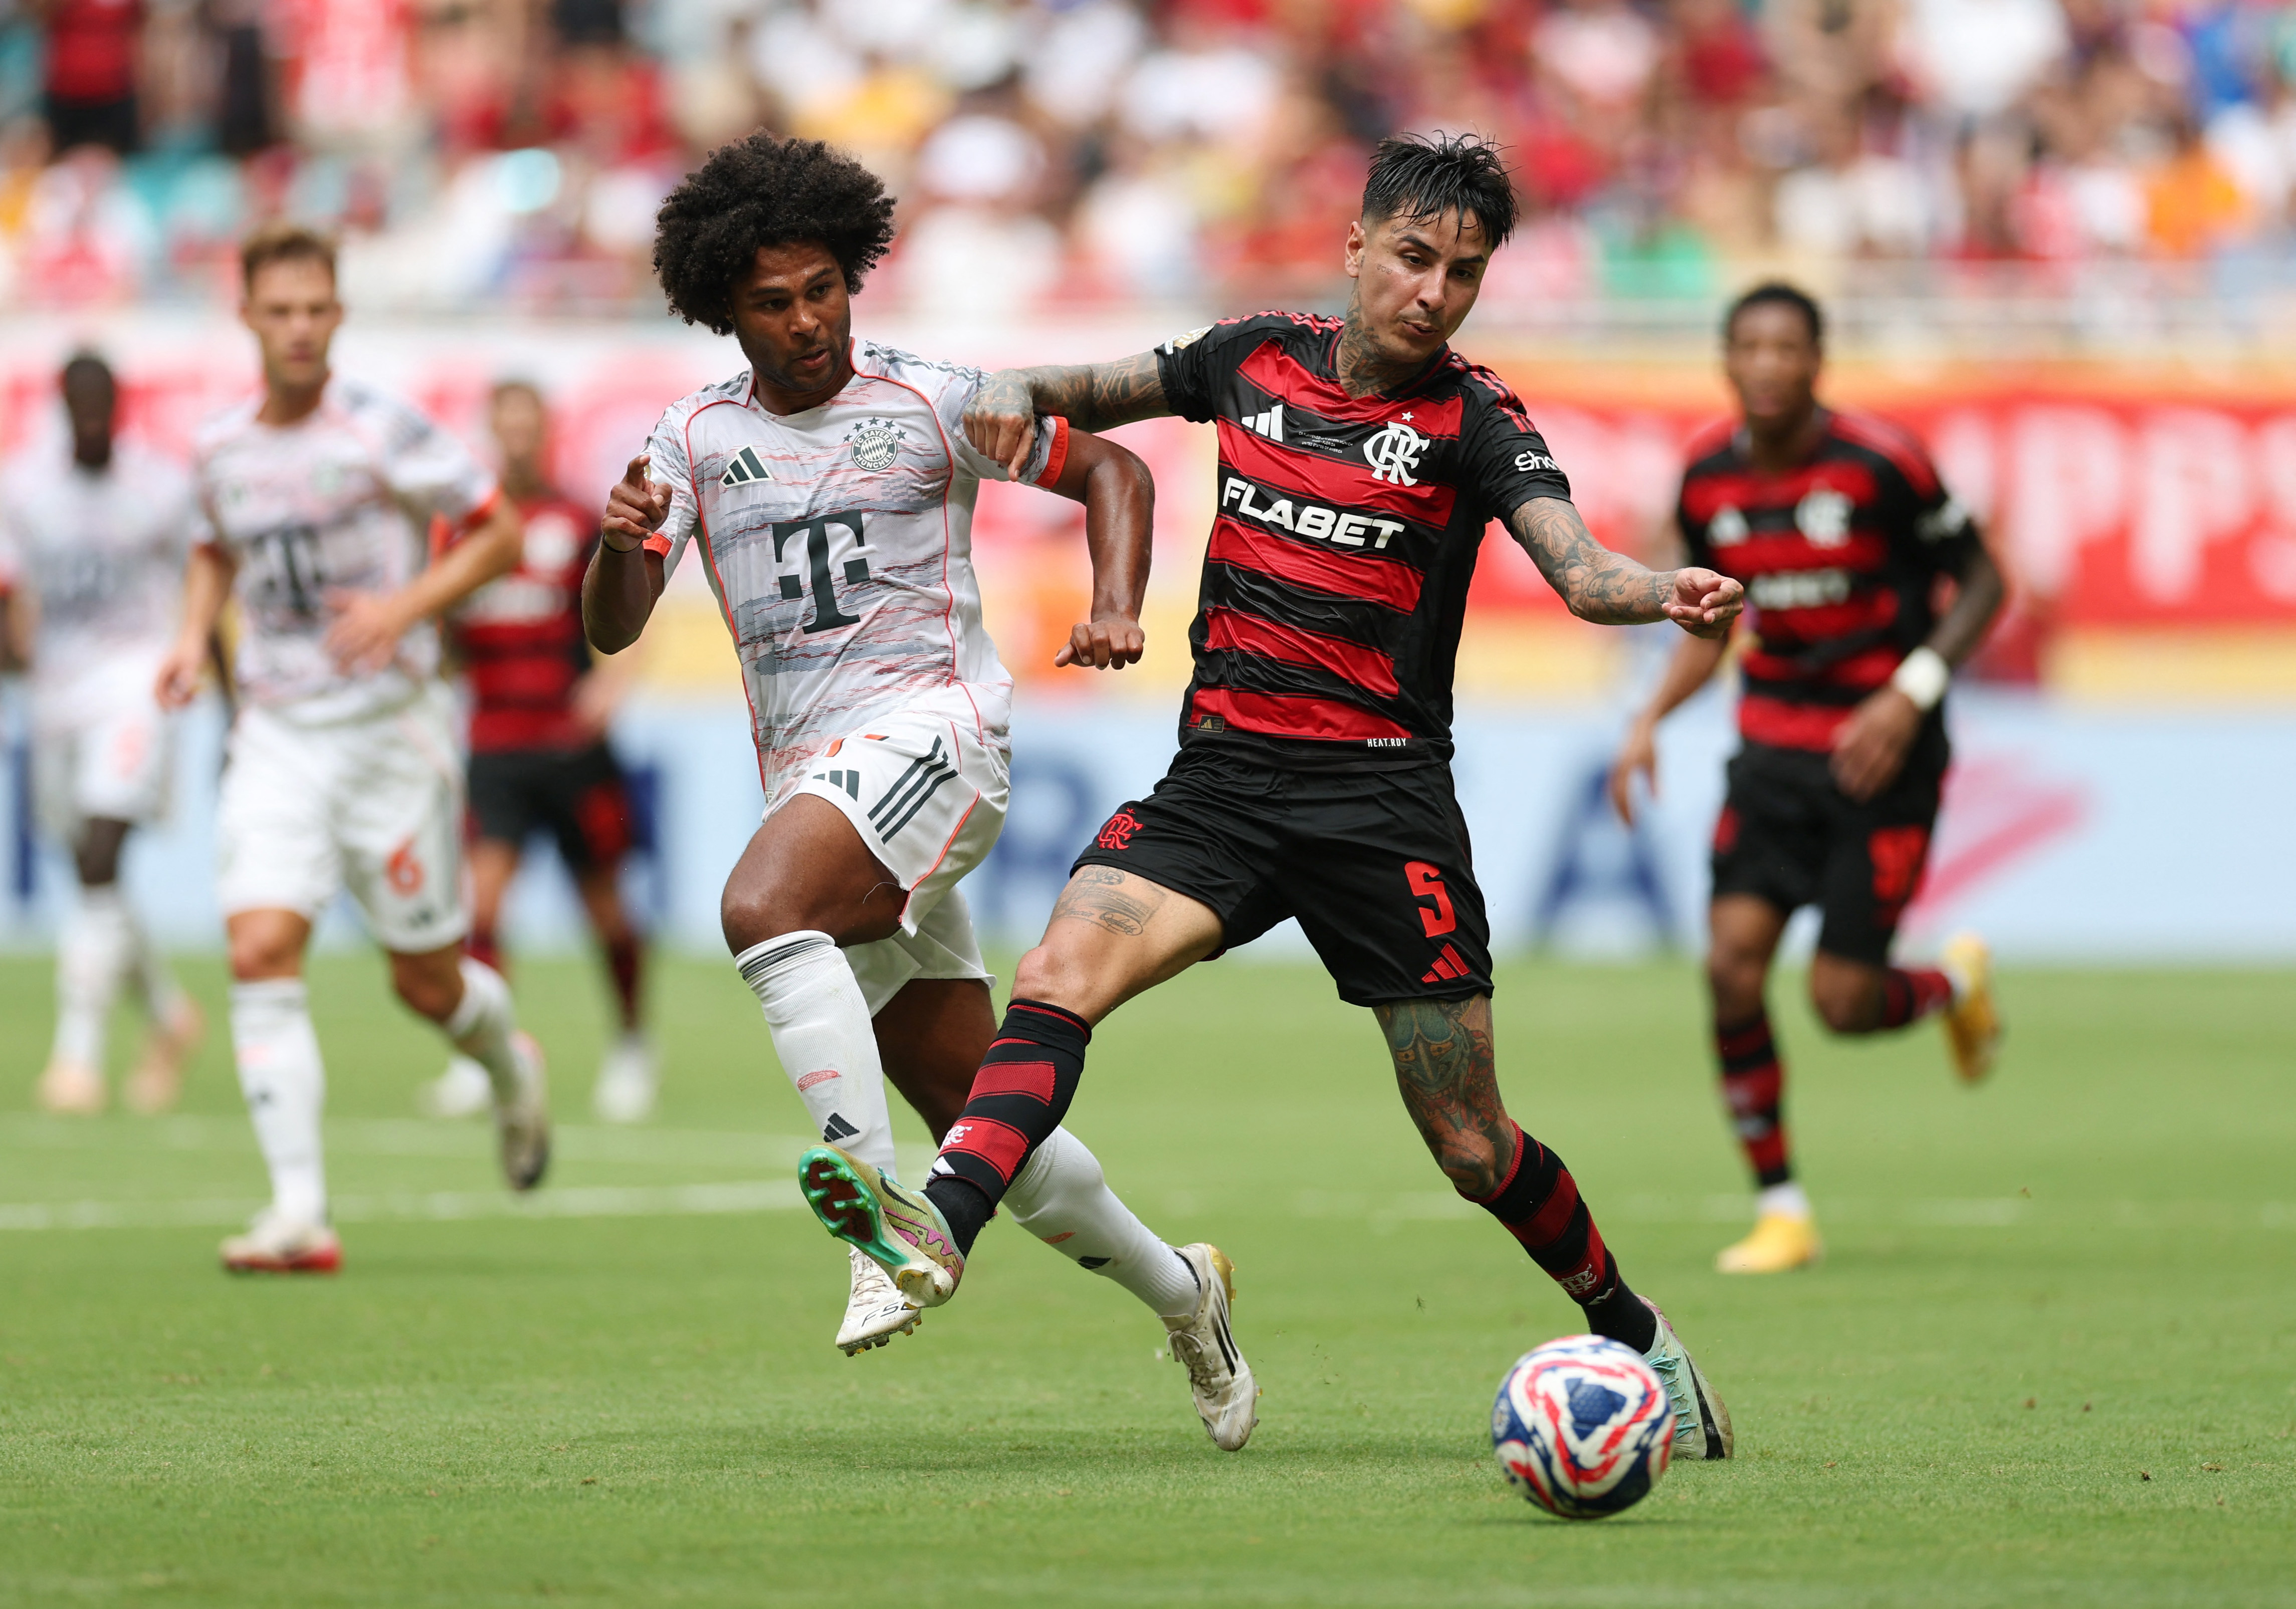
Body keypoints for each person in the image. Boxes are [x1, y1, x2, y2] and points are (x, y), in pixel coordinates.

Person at [799, 132, 1745, 1461]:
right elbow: (1077, 389)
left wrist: (1662, 591)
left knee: (1470, 1144)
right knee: (1058, 970)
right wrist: (1000, 391)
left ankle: (1631, 1326)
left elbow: (1581, 572)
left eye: (1463, 273)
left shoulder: (1476, 421)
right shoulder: (1251, 358)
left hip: (1380, 808)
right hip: (1223, 788)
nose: (1432, 293)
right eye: (1411, 258)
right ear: (1355, 246)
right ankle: (938, 1230)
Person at [584, 132, 1257, 1448]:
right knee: (984, 1124)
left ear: (855, 277)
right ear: (723, 310)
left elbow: (1112, 469)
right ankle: (1188, 1294)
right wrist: (615, 549)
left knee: (760, 907)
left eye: (824, 288)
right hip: (821, 783)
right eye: (773, 302)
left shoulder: (933, 398)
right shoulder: (693, 437)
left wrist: (1116, 603)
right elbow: (613, 626)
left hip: (941, 736)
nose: (807, 320)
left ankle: (877, 1221)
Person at [155, 223, 549, 1275]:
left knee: (426, 985)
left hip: (388, 734)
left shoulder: (382, 428)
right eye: (278, 311)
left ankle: (508, 1062)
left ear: (338, 314)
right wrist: (191, 639)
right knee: (258, 950)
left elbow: (500, 532)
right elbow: (212, 547)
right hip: (277, 732)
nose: (298, 328)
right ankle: (299, 1212)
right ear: (246, 316)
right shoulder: (220, 446)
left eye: (314, 309)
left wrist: (400, 608)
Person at [1607, 282, 2005, 1276]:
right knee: (1729, 967)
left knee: (1840, 1002)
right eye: (1750, 347)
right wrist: (1647, 719)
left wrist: (1909, 693)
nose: (1768, 365)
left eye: (1787, 348)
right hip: (1772, 759)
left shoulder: (1882, 463)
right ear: (1726, 361)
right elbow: (1712, 629)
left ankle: (1953, 983)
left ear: (1817, 362)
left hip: (1883, 757)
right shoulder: (1706, 480)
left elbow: (1984, 580)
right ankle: (1780, 1210)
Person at [420, 381, 658, 1125]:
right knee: (482, 907)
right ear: (492, 435)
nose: (520, 441)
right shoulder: (467, 533)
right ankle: (482, 1058)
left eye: (531, 427)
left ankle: (631, 1046)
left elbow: (629, 604)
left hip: (569, 747)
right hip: (495, 745)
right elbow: (444, 637)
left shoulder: (578, 520)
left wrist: (611, 687)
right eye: (508, 428)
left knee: (607, 912)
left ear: (548, 433)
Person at [1, 352, 204, 1115]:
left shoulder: (160, 486)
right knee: (94, 876)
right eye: (78, 402)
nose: (91, 415)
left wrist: (217, 677)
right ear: (61, 406)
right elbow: (10, 595)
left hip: (135, 681)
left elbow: (204, 579)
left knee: (99, 853)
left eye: (102, 401)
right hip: (56, 692)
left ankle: (76, 1058)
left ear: (120, 405)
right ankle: (168, 1016)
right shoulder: (24, 487)